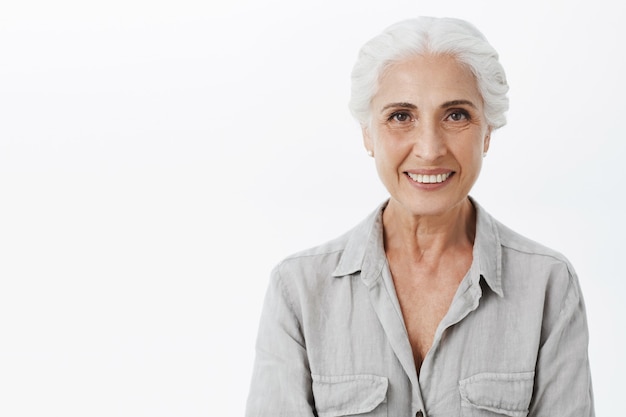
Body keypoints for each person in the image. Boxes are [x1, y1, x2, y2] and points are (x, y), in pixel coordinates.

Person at [245, 16, 594, 417]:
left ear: (487, 132)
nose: (429, 149)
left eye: (456, 115)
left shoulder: (548, 286)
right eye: (400, 116)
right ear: (367, 134)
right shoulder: (298, 290)